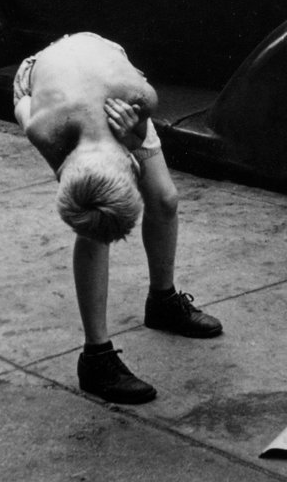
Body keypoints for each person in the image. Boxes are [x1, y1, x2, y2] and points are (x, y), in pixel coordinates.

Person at [13, 32, 222, 404]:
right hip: (44, 81)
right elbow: (24, 103)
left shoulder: (139, 98)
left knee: (165, 199)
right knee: (94, 220)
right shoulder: (43, 126)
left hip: (107, 73)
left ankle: (163, 303)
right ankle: (96, 357)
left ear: (130, 161)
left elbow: (136, 109)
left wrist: (136, 132)